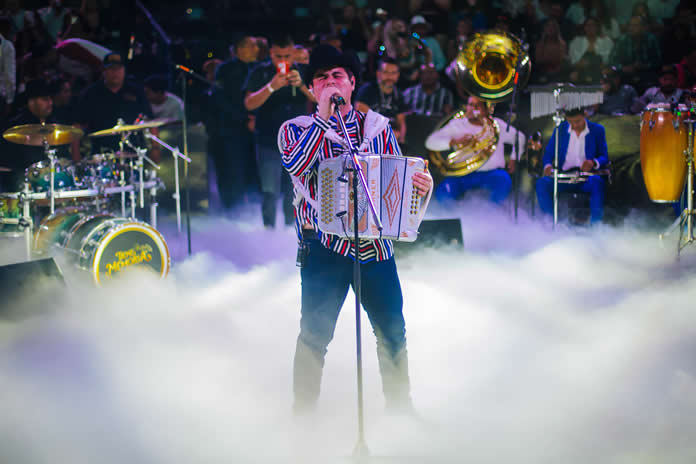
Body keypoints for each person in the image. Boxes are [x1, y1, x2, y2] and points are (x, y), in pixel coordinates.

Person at [278, 44, 432, 414]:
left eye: (337, 76)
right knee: (314, 337)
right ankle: (303, 416)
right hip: (323, 249)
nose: (330, 82)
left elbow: (398, 186)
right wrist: (323, 119)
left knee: (393, 334)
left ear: (351, 84)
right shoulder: (293, 130)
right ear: (312, 89)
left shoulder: (378, 128)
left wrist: (421, 187)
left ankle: (401, 411)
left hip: (375, 250)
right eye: (321, 77)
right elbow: (299, 168)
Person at [244, 35, 314, 228]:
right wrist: (271, 87)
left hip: (299, 143)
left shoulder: (304, 71)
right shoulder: (260, 72)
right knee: (270, 191)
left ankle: (292, 233)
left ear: (294, 54)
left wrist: (301, 85)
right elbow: (249, 103)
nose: (283, 61)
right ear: (271, 54)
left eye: (287, 56)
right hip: (268, 141)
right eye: (278, 56)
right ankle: (269, 232)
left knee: (295, 190)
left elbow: (319, 99)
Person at [425, 95, 525, 204]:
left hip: (491, 174)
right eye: (470, 105)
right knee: (443, 193)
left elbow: (520, 138)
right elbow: (430, 142)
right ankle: (458, 216)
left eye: (478, 106)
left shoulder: (497, 125)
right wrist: (454, 141)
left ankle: (490, 214)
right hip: (462, 175)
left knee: (504, 180)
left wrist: (513, 158)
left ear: (486, 109)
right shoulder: (458, 124)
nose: (473, 109)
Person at [75, 52, 158, 160]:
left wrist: (155, 148)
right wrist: (75, 154)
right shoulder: (90, 94)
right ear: (104, 71)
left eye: (118, 69)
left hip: (133, 152)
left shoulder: (137, 91)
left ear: (124, 70)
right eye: (111, 69)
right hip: (101, 154)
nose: (115, 72)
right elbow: (77, 126)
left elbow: (150, 122)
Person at [535, 107, 609, 223]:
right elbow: (548, 154)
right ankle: (550, 222)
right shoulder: (560, 130)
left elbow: (604, 157)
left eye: (577, 121)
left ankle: (596, 225)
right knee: (542, 183)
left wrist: (593, 162)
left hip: (585, 177)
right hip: (564, 177)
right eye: (571, 122)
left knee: (597, 182)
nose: (574, 126)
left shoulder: (597, 130)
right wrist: (548, 166)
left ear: (585, 115)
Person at [0, 79, 74, 190]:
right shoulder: (15, 128)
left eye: (50, 99)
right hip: (23, 182)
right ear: (31, 101)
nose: (50, 103)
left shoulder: (56, 124)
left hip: (55, 181)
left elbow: (65, 157)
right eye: (45, 100)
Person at [215, 35, 259, 209]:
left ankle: (256, 208)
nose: (256, 49)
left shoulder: (258, 68)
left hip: (255, 127)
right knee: (234, 171)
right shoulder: (225, 70)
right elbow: (220, 100)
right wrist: (243, 118)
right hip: (232, 128)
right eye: (252, 46)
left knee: (254, 170)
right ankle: (234, 209)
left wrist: (255, 118)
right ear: (240, 49)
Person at [355, 57, 408, 145]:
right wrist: (386, 134)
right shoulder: (367, 90)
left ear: (398, 75)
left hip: (391, 140)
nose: (389, 77)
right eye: (386, 72)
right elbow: (361, 120)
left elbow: (401, 122)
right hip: (368, 140)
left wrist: (401, 142)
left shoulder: (398, 94)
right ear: (378, 73)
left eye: (393, 73)